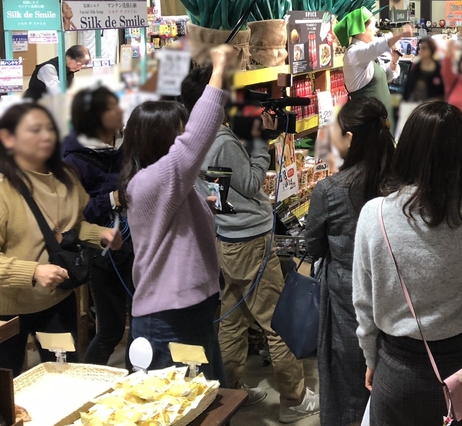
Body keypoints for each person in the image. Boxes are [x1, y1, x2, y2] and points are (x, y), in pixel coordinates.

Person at [352, 62, 462, 426]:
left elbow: (363, 303)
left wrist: (371, 358)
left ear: (405, 149)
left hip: (401, 363)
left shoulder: (375, 215)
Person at [180, 67, 319, 422]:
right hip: (250, 241)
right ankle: (294, 399)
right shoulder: (223, 142)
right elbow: (252, 182)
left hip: (226, 238)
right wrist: (260, 141)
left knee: (233, 319)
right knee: (277, 321)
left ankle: (231, 390)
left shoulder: (192, 137)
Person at [120, 45, 235, 382]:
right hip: (167, 320)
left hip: (189, 312)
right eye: (180, 133)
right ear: (162, 140)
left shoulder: (163, 184)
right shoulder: (151, 182)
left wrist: (199, 211)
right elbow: (196, 140)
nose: (186, 137)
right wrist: (220, 69)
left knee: (208, 398)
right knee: (180, 403)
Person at [0, 103, 121, 373]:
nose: (46, 136)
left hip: (57, 300)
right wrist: (33, 271)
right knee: (9, 388)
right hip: (7, 309)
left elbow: (71, 226)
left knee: (65, 375)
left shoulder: (66, 176)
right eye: (35, 130)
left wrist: (99, 234)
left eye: (50, 129)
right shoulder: (4, 187)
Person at [306, 97, 395, 426]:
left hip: (346, 301)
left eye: (338, 130)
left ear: (351, 138)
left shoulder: (330, 190)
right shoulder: (400, 182)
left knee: (346, 383)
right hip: (394, 298)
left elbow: (313, 246)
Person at [61, 87, 130, 367]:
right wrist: (112, 199)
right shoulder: (74, 159)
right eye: (113, 107)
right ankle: (88, 380)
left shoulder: (125, 145)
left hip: (135, 242)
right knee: (110, 330)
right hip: (101, 250)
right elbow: (71, 215)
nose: (121, 111)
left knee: (142, 326)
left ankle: (137, 383)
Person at [334, 7, 413, 122]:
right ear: (361, 29)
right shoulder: (353, 53)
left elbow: (387, 77)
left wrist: (394, 60)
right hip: (367, 122)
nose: (376, 30)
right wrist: (399, 33)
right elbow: (375, 47)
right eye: (374, 26)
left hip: (382, 120)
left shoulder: (366, 56)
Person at [25, 45, 90, 100]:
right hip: (34, 103)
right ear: (68, 57)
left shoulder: (69, 70)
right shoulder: (48, 68)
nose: (79, 68)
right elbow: (56, 91)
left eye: (82, 65)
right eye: (78, 64)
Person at [402, 38, 445, 103]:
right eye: (419, 48)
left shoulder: (439, 68)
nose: (421, 51)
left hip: (434, 104)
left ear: (431, 49)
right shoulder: (415, 66)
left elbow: (442, 90)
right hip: (415, 103)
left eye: (424, 48)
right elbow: (408, 87)